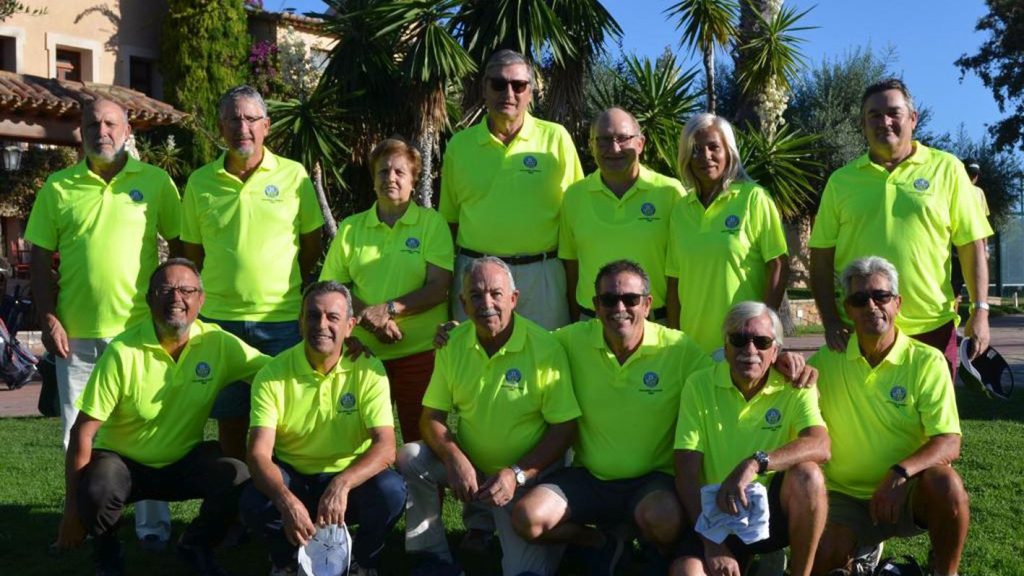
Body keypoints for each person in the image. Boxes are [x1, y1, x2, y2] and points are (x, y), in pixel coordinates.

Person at [28, 98, 182, 548]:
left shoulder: (155, 182)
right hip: (75, 339)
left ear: (127, 130)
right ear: (82, 130)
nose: (103, 131)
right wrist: (48, 317)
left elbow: (180, 248)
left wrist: (173, 312)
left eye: (112, 123)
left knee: (149, 431)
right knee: (75, 435)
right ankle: (81, 522)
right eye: (94, 124)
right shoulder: (58, 187)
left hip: (140, 335)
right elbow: (39, 257)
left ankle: (153, 528)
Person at [56, 259, 269, 575]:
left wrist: (330, 357)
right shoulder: (123, 351)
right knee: (98, 487)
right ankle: (107, 555)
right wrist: (72, 512)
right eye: (165, 290)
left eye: (186, 290)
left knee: (238, 475)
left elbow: (275, 373)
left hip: (183, 460)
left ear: (201, 299)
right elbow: (82, 433)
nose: (176, 298)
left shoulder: (218, 343)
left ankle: (196, 546)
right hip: (124, 463)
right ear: (149, 299)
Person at [512, 260, 712, 575]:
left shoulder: (678, 348)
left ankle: (654, 553)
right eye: (608, 300)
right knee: (527, 518)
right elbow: (522, 340)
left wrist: (778, 360)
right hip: (590, 478)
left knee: (664, 519)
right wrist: (460, 331)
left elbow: (723, 377)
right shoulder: (570, 340)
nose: (619, 308)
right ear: (596, 305)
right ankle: (600, 542)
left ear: (647, 304)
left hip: (653, 481)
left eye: (630, 299)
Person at [398, 257, 580, 576]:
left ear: (514, 298)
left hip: (524, 479)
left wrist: (516, 474)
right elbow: (431, 417)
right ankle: (432, 556)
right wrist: (454, 458)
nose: (487, 304)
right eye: (476, 295)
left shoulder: (545, 348)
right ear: (463, 303)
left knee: (524, 573)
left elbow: (564, 429)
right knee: (410, 456)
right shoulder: (452, 344)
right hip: (473, 469)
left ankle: (584, 539)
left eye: (496, 294)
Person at [809, 79, 993, 378]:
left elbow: (972, 245)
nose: (884, 122)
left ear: (913, 118)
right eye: (874, 115)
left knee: (935, 411)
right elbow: (820, 257)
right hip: (861, 327)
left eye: (894, 112)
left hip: (931, 327)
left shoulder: (947, 169)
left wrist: (980, 311)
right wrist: (830, 320)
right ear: (863, 124)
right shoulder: (841, 181)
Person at [181, 85, 325, 458]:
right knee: (231, 419)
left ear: (266, 125)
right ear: (220, 127)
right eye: (232, 119)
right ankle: (237, 492)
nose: (241, 127)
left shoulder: (294, 176)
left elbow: (311, 245)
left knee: (286, 417)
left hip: (280, 320)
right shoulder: (200, 182)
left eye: (250, 118)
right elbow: (193, 253)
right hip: (220, 322)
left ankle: (280, 492)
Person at [808, 257, 968, 576]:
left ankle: (944, 572)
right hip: (844, 497)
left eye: (881, 296)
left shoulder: (926, 361)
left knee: (947, 485)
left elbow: (949, 442)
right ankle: (861, 556)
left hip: (908, 490)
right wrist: (784, 364)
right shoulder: (824, 362)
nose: (871, 306)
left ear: (897, 303)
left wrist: (899, 474)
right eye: (859, 299)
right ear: (848, 309)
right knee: (825, 555)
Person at [242, 281, 406, 576]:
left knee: (391, 491)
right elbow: (258, 455)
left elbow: (386, 447)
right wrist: (285, 501)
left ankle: (361, 562)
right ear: (300, 322)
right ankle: (286, 561)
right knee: (255, 500)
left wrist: (342, 484)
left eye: (333, 317)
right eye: (313, 315)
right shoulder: (272, 374)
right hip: (294, 476)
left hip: (350, 479)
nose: (322, 325)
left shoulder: (369, 368)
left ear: (350, 326)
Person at [672, 302, 829, 576]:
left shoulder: (796, 384)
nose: (750, 350)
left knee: (809, 475)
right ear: (726, 346)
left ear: (775, 351)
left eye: (762, 341)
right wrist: (713, 545)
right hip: (715, 515)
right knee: (687, 572)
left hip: (771, 514)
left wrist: (755, 463)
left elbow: (821, 445)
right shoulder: (698, 385)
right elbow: (686, 472)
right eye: (739, 340)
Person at [320, 138, 454, 442]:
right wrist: (370, 318)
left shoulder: (431, 224)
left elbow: (438, 288)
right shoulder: (351, 228)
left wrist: (388, 310)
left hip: (420, 353)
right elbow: (333, 289)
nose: (390, 178)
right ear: (373, 179)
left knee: (421, 443)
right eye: (382, 171)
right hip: (362, 353)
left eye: (399, 172)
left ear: (413, 180)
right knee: (357, 442)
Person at [440, 49, 583, 331]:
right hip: (476, 276)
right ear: (484, 88)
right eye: (498, 84)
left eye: (518, 85)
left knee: (547, 355)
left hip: (541, 277)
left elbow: (576, 216)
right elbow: (449, 223)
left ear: (530, 91)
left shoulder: (556, 138)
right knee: (473, 355)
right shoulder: (459, 145)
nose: (509, 93)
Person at [666, 113, 789, 354]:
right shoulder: (681, 210)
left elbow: (778, 266)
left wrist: (764, 332)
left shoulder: (753, 198)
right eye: (696, 149)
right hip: (692, 347)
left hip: (743, 345)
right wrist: (674, 341)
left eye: (714, 147)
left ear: (729, 152)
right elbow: (674, 281)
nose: (705, 156)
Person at [559, 107, 685, 322]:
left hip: (654, 325)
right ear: (591, 146)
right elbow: (571, 268)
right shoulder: (574, 196)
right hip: (591, 324)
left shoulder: (670, 193)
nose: (614, 148)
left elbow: (683, 269)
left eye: (623, 138)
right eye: (603, 140)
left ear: (640, 143)